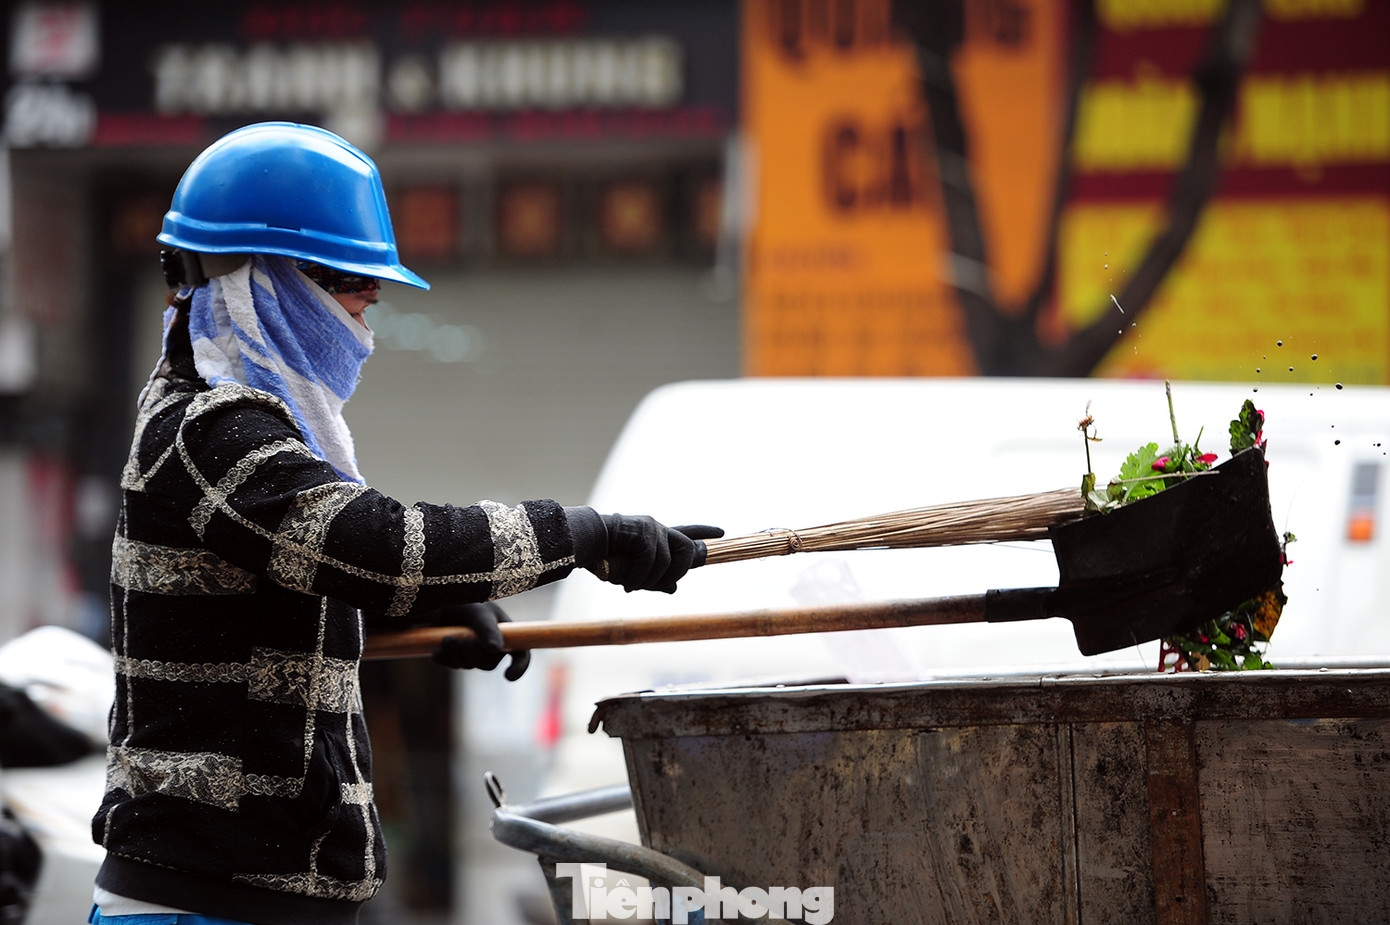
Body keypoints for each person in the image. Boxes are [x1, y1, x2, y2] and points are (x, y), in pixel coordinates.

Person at [89, 122, 721, 925]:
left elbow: (290, 586)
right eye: (356, 294)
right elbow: (380, 545)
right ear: (272, 284)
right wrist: (585, 536)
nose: (364, 327)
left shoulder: (237, 430)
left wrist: (417, 606)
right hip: (199, 906)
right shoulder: (210, 432)